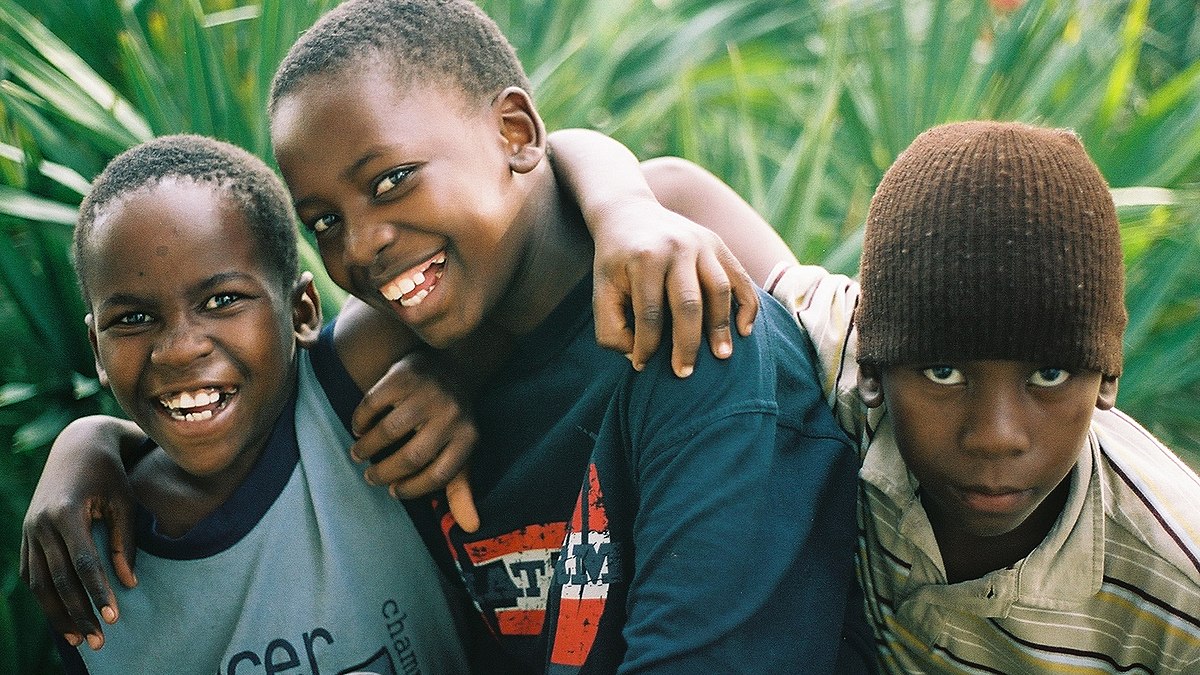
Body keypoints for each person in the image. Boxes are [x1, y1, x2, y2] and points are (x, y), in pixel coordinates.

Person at [23, 0, 866, 672]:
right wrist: (89, 442)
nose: (362, 244)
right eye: (324, 221)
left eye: (391, 180)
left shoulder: (690, 330)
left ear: (515, 135)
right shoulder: (406, 378)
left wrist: (625, 207)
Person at [553, 121, 1200, 672]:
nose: (997, 434)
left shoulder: (1176, 578)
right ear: (872, 367)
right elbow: (667, 187)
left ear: (1107, 378)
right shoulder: (848, 350)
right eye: (944, 372)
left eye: (1050, 377)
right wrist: (623, 212)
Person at [45, 133, 470, 673]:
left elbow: (534, 191)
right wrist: (84, 440)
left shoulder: (347, 391)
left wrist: (617, 208)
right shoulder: (83, 560)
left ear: (301, 311)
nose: (179, 349)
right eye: (132, 318)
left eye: (222, 301)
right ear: (97, 351)